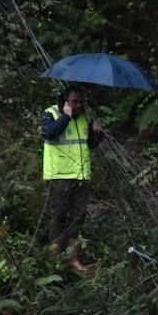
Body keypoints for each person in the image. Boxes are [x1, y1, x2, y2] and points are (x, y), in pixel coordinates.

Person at [40, 87, 104, 272]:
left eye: (80, 102)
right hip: (60, 175)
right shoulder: (51, 113)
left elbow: (90, 144)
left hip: (81, 176)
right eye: (74, 102)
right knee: (59, 217)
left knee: (78, 218)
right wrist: (65, 117)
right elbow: (49, 134)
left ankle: (74, 260)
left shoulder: (85, 117)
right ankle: (55, 259)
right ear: (65, 101)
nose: (78, 105)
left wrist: (97, 133)